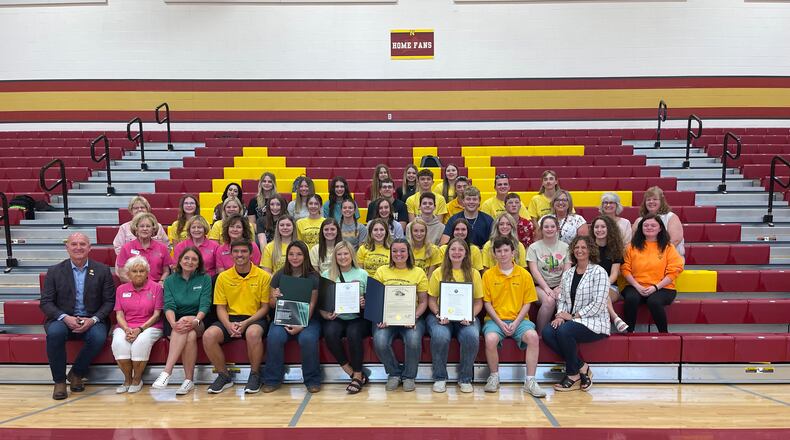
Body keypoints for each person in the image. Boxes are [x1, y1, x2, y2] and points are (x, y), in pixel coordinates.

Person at [40, 233, 115, 400]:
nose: (78, 247)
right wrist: (65, 317)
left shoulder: (102, 271)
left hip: (92, 318)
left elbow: (109, 302)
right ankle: (59, 381)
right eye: (74, 244)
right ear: (67, 248)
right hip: (62, 318)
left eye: (82, 244)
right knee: (55, 333)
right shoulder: (54, 271)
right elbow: (46, 302)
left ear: (90, 248)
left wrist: (93, 319)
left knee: (98, 336)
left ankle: (76, 373)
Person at [541, 235, 610, 392]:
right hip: (572, 320)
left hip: (594, 321)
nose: (579, 250)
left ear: (591, 250)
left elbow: (599, 304)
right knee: (547, 332)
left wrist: (573, 316)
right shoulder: (568, 274)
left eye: (583, 247)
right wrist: (559, 315)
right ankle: (582, 366)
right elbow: (563, 299)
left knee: (565, 331)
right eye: (577, 247)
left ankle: (573, 374)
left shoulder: (599, 272)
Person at [203, 240, 271, 394]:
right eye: (236, 251)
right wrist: (227, 325)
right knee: (208, 335)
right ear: (231, 254)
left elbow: (265, 308)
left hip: (254, 318)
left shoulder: (263, 276)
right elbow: (220, 307)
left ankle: (255, 375)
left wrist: (246, 323)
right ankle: (224, 375)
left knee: (253, 333)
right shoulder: (223, 277)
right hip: (230, 318)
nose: (240, 255)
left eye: (244, 251)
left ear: (251, 254)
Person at [482, 237, 546, 397]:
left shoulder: (524, 274)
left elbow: (527, 303)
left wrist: (516, 322)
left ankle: (530, 381)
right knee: (490, 339)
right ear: (494, 254)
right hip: (495, 320)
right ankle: (494, 376)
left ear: (513, 253)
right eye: (499, 251)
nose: (502, 254)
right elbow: (487, 303)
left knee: (533, 337)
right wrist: (500, 322)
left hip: (520, 320)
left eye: (506, 250)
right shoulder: (488, 275)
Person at [264, 241, 322, 393]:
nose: (295, 257)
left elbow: (312, 304)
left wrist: (302, 325)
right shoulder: (280, 274)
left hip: (308, 319)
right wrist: (275, 298)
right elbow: (270, 303)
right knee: (274, 337)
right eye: (291, 254)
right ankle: (272, 379)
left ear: (305, 256)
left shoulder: (313, 277)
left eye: (299, 254)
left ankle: (312, 380)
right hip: (283, 317)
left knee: (307, 339)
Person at [426, 238, 483, 393]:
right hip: (440, 316)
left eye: (460, 250)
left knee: (471, 335)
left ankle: (465, 378)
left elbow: (478, 302)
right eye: (453, 249)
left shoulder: (474, 273)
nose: (456, 253)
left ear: (466, 253)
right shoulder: (438, 272)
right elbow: (431, 300)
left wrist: (471, 315)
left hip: (466, 316)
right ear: (447, 252)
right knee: (439, 334)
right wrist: (438, 313)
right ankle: (439, 377)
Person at [153, 247, 212, 395]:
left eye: (194, 259)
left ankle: (166, 372)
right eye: (186, 258)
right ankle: (188, 381)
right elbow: (169, 305)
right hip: (175, 321)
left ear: (199, 263)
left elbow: (205, 304)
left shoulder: (205, 278)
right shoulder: (170, 280)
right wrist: (173, 323)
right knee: (189, 335)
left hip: (199, 320)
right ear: (179, 260)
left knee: (187, 323)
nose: (189, 262)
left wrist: (196, 320)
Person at [372, 239, 429, 392]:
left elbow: (423, 302)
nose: (398, 254)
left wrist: (414, 317)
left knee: (413, 340)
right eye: (395, 251)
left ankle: (409, 376)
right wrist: (379, 317)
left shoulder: (418, 272)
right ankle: (394, 373)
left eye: (402, 250)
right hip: (386, 318)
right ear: (390, 253)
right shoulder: (382, 271)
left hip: (411, 318)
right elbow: (376, 299)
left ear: (409, 252)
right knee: (380, 340)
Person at [319, 241, 370, 394]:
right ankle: (350, 371)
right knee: (330, 333)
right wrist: (326, 315)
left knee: (353, 333)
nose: (343, 257)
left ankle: (358, 374)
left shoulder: (363, 274)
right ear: (335, 257)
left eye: (346, 253)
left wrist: (364, 303)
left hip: (358, 318)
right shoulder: (327, 275)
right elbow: (322, 304)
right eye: (339, 254)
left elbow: (371, 302)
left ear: (352, 255)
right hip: (337, 317)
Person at [621, 215, 684, 333]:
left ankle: (664, 334)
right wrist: (637, 286)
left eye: (653, 225)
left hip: (663, 287)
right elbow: (625, 268)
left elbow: (675, 270)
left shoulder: (668, 247)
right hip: (636, 286)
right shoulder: (631, 247)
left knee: (654, 301)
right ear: (641, 228)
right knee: (631, 298)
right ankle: (629, 332)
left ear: (660, 228)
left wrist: (655, 287)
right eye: (646, 225)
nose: (649, 227)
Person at [111, 256, 163, 394]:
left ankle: (137, 379)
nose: (138, 274)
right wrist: (127, 329)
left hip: (150, 326)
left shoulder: (156, 288)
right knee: (118, 343)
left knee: (141, 342)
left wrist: (140, 329)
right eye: (135, 271)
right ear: (128, 274)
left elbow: (157, 314)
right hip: (126, 326)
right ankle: (127, 379)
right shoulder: (121, 289)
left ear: (147, 273)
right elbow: (119, 315)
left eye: (142, 271)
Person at [527, 216, 571, 334]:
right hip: (539, 286)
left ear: (557, 229)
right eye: (546, 226)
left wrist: (560, 287)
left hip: (560, 285)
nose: (549, 229)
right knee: (549, 300)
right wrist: (546, 288)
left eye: (552, 226)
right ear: (541, 229)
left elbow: (567, 270)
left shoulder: (565, 247)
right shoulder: (533, 247)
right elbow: (534, 271)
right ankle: (540, 334)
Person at [590, 216, 629, 332]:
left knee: (601, 293)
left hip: (610, 287)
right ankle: (615, 318)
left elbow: (614, 274)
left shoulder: (615, 249)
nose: (599, 229)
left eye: (603, 227)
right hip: (589, 285)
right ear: (592, 230)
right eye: (596, 227)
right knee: (597, 293)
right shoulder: (587, 248)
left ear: (609, 229)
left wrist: (602, 284)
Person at [116, 212, 173, 283]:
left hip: (156, 287)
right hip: (133, 286)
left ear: (153, 229)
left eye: (148, 226)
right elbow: (122, 274)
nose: (145, 229)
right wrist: (138, 285)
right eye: (142, 226)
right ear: (136, 228)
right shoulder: (126, 248)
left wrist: (161, 282)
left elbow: (166, 271)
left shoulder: (162, 248)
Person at [632, 186, 685, 257]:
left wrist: (657, 255)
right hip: (644, 258)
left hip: (669, 257)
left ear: (662, 201)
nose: (651, 202)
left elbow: (676, 240)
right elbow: (633, 241)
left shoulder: (671, 217)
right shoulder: (639, 220)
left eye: (655, 199)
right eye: (648, 200)